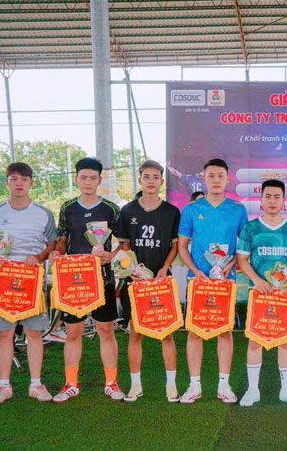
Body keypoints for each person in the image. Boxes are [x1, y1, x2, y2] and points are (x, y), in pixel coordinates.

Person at [48, 157, 124, 403]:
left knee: (106, 331)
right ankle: (71, 384)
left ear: (100, 180)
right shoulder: (67, 207)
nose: (88, 182)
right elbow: (62, 238)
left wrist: (109, 257)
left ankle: (112, 383)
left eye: (93, 178)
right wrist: (57, 252)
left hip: (103, 280)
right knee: (73, 333)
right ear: (77, 179)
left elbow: (124, 244)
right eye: (83, 177)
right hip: (75, 282)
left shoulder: (112, 209)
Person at [0, 162, 57, 404]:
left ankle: (36, 384)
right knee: (4, 334)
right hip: (3, 281)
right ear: (7, 182)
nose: (19, 183)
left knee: (33, 333)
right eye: (14, 178)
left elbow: (51, 245)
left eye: (24, 179)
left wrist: (38, 257)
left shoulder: (43, 214)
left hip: (32, 281)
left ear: (31, 183)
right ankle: (3, 386)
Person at [177, 158, 248, 404]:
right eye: (212, 176)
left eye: (221, 176)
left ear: (228, 179)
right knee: (195, 332)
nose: (216, 180)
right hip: (198, 281)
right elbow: (183, 247)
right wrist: (196, 271)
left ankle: (224, 385)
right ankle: (194, 385)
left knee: (225, 331)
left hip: (226, 282)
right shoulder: (192, 210)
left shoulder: (238, 209)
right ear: (204, 179)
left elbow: (245, 246)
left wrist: (230, 266)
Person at [115, 160, 181, 403]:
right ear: (140, 180)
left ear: (162, 182)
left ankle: (171, 386)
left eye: (156, 177)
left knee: (167, 334)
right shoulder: (128, 211)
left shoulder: (172, 212)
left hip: (163, 282)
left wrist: (165, 267)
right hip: (136, 283)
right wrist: (131, 269)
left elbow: (175, 246)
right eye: (147, 176)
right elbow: (124, 246)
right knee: (135, 333)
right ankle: (135, 386)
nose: (151, 181)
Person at [237, 179, 287, 407]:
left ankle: (286, 390)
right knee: (255, 341)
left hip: (283, 296)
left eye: (277, 197)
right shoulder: (251, 228)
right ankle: (252, 390)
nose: (272, 201)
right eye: (268, 196)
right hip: (258, 295)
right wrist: (257, 281)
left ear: (284, 201)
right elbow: (242, 259)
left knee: (286, 342)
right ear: (261, 200)